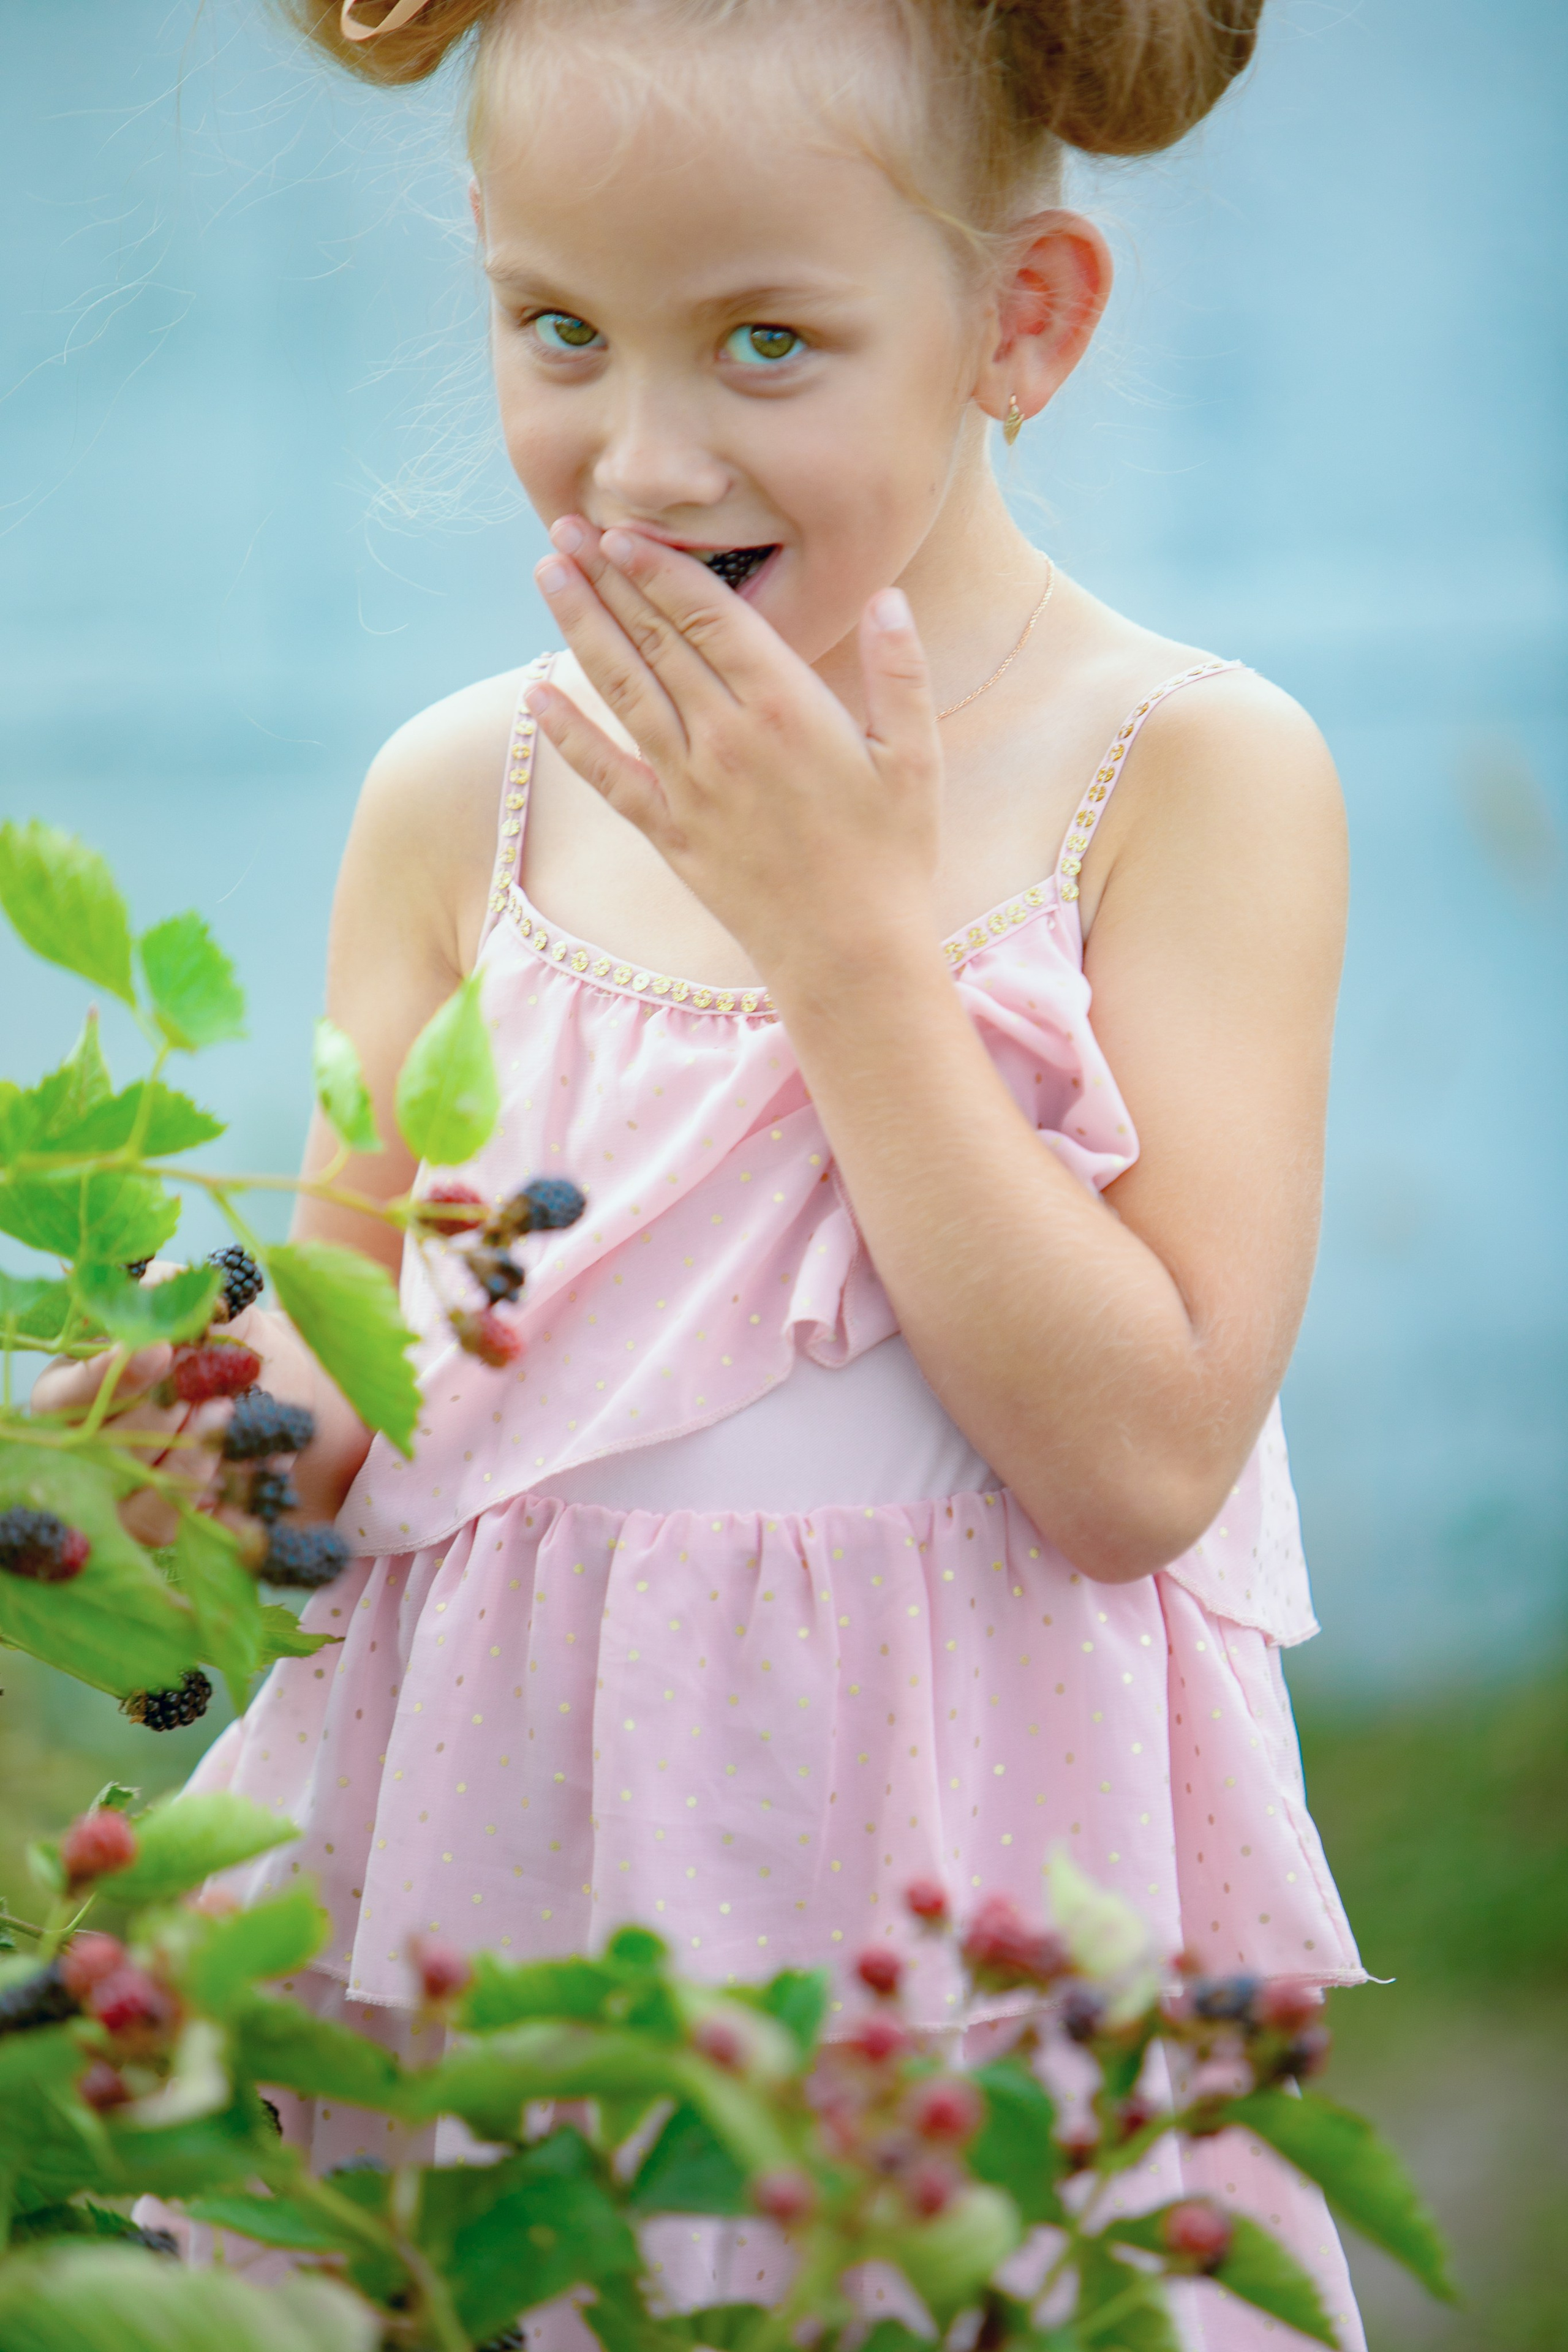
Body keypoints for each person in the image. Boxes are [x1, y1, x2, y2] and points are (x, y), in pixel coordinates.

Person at [49, 0, 1370, 2339]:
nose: (640, 461)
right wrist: (188, 1443)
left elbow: (1141, 1462)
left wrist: (845, 943)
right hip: (496, 1921)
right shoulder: (460, 800)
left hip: (949, 1977)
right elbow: (364, 1336)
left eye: (768, 341)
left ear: (1019, 319)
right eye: (560, 327)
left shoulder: (1186, 777)